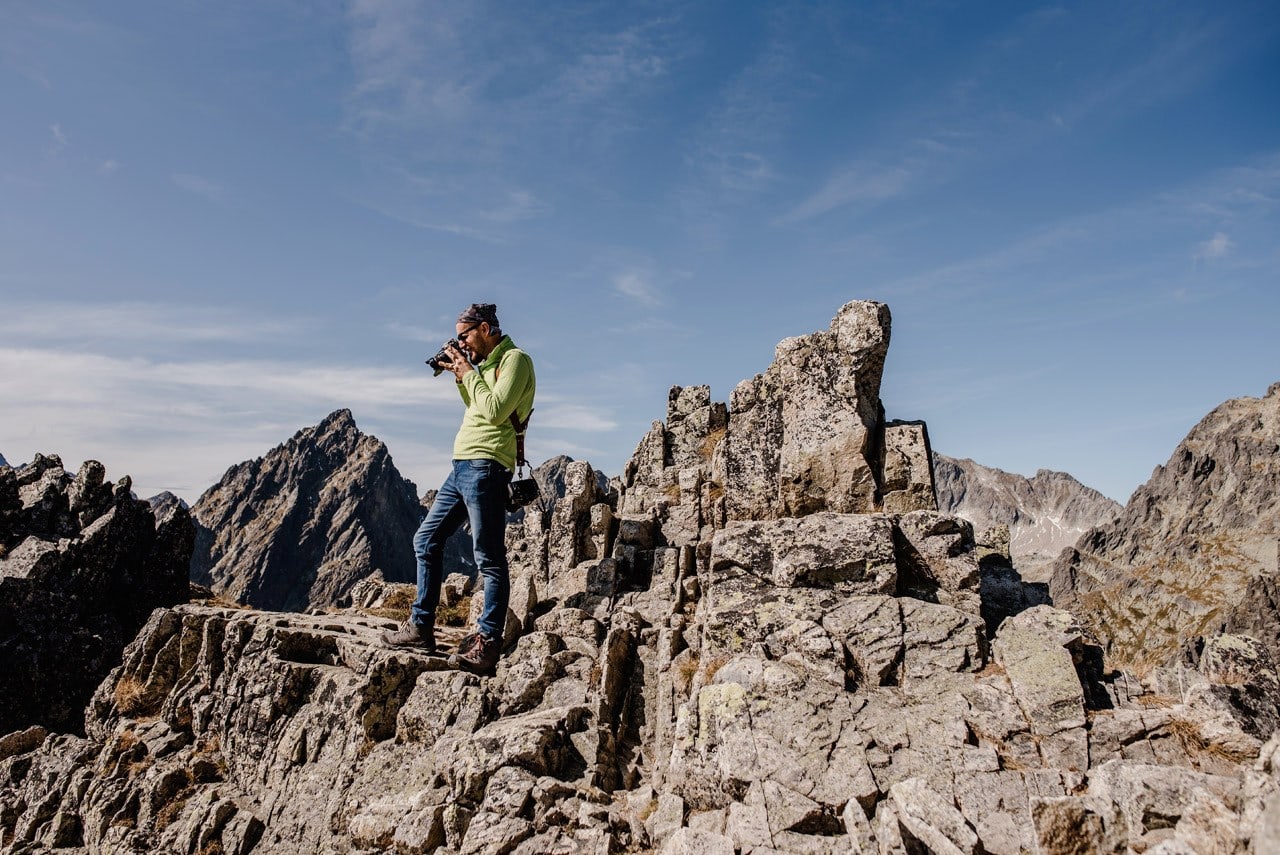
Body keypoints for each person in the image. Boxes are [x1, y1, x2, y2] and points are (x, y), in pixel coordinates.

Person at [382, 303, 536, 675]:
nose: (463, 344)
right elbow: (478, 407)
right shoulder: (483, 368)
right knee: (426, 540)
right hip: (462, 465)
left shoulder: (515, 360)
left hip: (486, 466)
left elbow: (497, 411)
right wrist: (462, 377)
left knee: (488, 556)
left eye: (465, 336)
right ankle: (421, 628)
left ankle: (487, 643)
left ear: (485, 328)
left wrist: (468, 372)